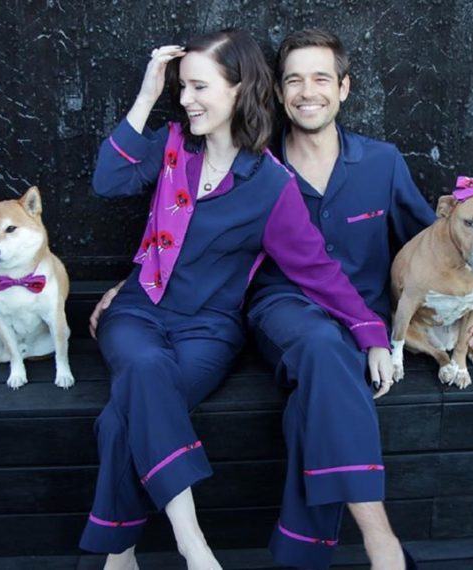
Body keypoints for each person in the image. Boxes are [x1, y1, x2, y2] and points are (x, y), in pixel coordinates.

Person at [80, 29, 393, 570]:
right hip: (137, 312)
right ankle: (193, 544)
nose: (187, 99)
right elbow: (109, 181)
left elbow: (315, 269)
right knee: (145, 363)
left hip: (210, 331)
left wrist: (370, 333)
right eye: (182, 88)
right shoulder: (173, 144)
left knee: (121, 416)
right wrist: (148, 94)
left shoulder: (272, 184)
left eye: (198, 87)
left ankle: (120, 552)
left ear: (239, 88)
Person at [245, 30, 473, 570]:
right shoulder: (255, 165)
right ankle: (383, 544)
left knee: (310, 402)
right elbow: (205, 240)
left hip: (367, 316)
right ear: (279, 92)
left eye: (320, 78)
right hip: (283, 310)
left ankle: (302, 555)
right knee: (318, 343)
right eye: (293, 80)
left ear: (344, 88)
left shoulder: (381, 162)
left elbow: (434, 242)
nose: (307, 92)